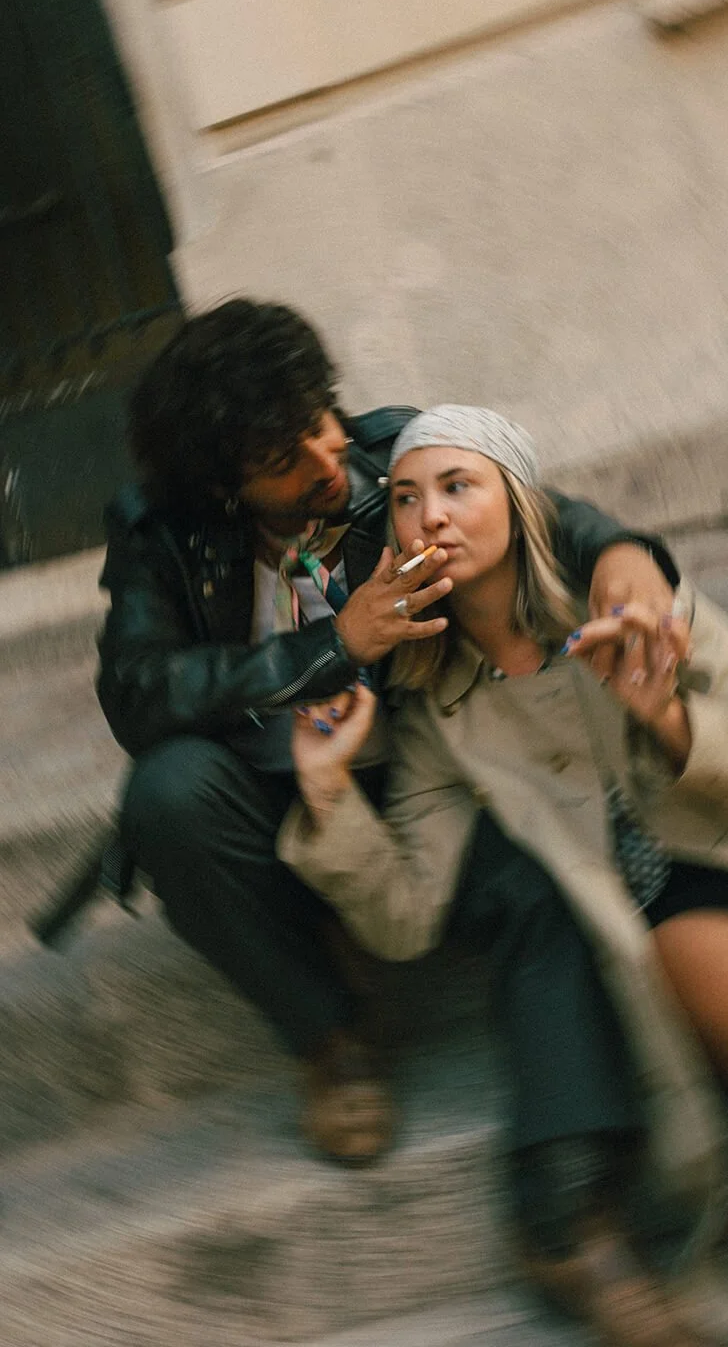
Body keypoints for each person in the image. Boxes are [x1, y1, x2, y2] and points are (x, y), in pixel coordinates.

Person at [280, 403, 728, 1347]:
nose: (429, 517)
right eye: (409, 500)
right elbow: (406, 915)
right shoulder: (434, 708)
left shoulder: (633, 598)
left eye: (457, 486)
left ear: (519, 499)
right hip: (673, 915)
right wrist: (326, 793)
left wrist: (666, 718)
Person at [95, 299, 680, 1171]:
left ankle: (568, 1200)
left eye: (320, 419)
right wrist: (336, 644)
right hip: (266, 797)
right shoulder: (161, 529)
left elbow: (542, 518)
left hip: (417, 777)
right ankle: (330, 1041)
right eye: (281, 457)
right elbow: (137, 692)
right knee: (166, 794)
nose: (325, 457)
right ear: (221, 482)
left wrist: (620, 555)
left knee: (539, 882)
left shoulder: (390, 455)